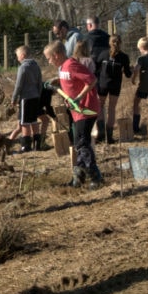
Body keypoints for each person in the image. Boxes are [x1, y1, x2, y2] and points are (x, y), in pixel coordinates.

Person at [44, 40, 102, 189]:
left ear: (57, 55)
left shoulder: (71, 64)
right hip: (77, 112)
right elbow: (69, 79)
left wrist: (79, 97)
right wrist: (57, 82)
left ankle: (95, 177)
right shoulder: (63, 67)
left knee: (83, 143)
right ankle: (78, 177)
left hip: (86, 109)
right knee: (78, 144)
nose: (49, 61)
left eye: (49, 58)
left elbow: (92, 80)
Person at [96, 34, 133, 143]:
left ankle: (101, 133)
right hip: (115, 85)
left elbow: (97, 69)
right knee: (112, 109)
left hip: (103, 84)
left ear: (109, 43)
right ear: (120, 43)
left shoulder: (103, 54)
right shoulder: (124, 57)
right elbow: (128, 75)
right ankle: (110, 136)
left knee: (100, 106)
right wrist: (131, 69)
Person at [11, 45, 43, 153]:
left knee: (25, 123)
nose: (17, 58)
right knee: (34, 121)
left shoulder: (23, 67)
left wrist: (14, 98)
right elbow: (40, 82)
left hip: (26, 97)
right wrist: (38, 94)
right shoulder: (36, 66)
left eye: (18, 56)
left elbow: (18, 85)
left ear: (23, 55)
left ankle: (26, 146)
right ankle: (37, 145)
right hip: (35, 96)